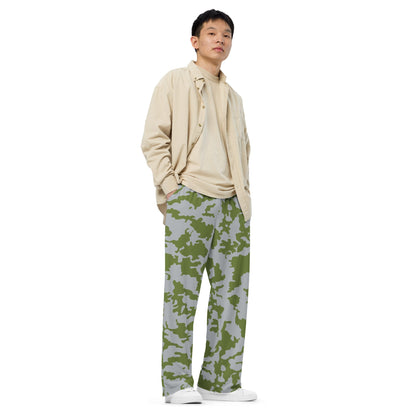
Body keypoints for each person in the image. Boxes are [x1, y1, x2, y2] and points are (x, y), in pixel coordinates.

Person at [141, 9, 256, 404]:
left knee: (232, 297)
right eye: (211, 33)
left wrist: (243, 198)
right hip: (189, 198)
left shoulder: (235, 97)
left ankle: (220, 382)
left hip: (232, 206)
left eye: (227, 34)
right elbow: (153, 139)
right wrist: (172, 188)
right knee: (182, 292)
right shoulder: (174, 81)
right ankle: (176, 383)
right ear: (195, 41)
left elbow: (244, 150)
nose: (220, 39)